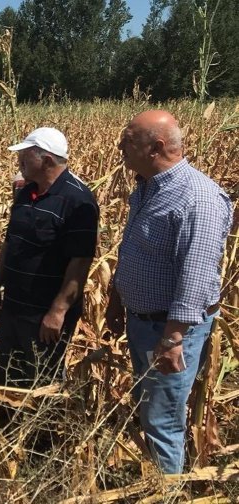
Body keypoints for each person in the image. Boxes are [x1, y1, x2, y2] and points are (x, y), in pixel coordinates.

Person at [105, 110, 232, 474]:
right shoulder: (147, 188)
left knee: (162, 419)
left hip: (170, 330)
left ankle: (167, 490)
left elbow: (197, 275)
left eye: (128, 140)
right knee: (150, 405)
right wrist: (117, 298)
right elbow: (135, 250)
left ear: (156, 147)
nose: (120, 146)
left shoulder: (197, 198)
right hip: (143, 322)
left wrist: (173, 338)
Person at [0, 128, 99, 387]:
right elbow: (10, 244)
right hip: (14, 306)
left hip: (44, 315)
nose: (19, 162)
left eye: (25, 156)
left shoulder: (78, 201)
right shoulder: (26, 194)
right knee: (6, 377)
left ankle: (43, 418)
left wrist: (57, 311)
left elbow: (80, 262)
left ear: (46, 160)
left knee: (41, 382)